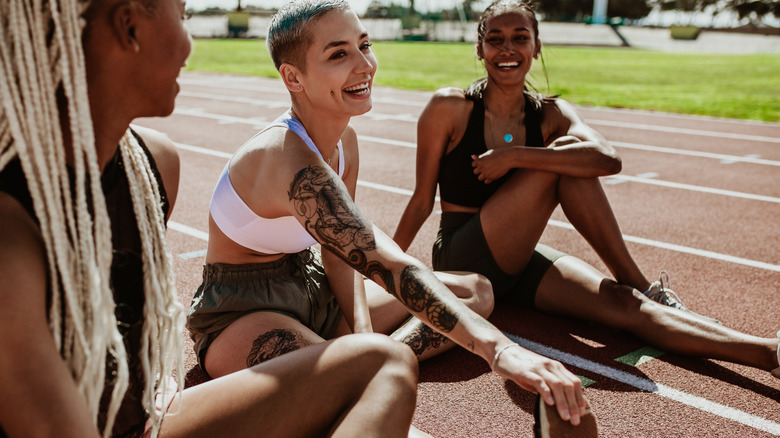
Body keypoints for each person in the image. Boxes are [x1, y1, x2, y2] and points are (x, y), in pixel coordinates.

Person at [0, 0, 423, 437]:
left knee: (381, 363)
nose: (189, 45)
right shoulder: (9, 233)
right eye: (183, 17)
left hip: (141, 419)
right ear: (129, 27)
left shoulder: (153, 164)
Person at [185, 0, 595, 430]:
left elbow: (341, 252)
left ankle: (368, 359)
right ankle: (365, 366)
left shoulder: (346, 142)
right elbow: (386, 262)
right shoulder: (285, 159)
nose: (365, 65)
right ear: (293, 78)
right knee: (348, 389)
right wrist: (498, 350)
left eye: (365, 45)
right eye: (339, 54)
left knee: (477, 292)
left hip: (312, 287)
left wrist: (363, 335)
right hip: (244, 310)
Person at [393, 0, 780, 380]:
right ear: (480, 50)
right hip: (463, 257)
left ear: (536, 47)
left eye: (520, 37)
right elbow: (421, 201)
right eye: (495, 39)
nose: (507, 49)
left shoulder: (551, 114)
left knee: (625, 305)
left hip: (519, 261)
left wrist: (513, 156)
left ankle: (768, 353)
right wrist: (381, 274)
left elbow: (607, 158)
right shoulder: (450, 107)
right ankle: (642, 282)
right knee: (564, 157)